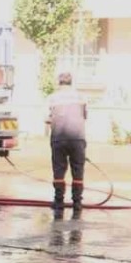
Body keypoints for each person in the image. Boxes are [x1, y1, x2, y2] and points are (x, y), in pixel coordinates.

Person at [47, 72, 88, 213]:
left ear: (59, 82)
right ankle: (77, 203)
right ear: (71, 82)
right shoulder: (81, 97)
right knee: (78, 170)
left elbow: (47, 118)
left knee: (59, 170)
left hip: (58, 138)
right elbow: (85, 115)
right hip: (77, 139)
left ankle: (59, 202)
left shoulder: (53, 97)